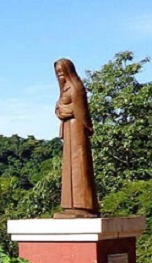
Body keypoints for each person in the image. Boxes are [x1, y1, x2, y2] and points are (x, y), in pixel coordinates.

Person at [54, 58, 99, 218]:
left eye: (62, 72)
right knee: (69, 167)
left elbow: (80, 110)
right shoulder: (65, 89)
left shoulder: (76, 87)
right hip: (69, 129)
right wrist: (61, 110)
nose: (60, 76)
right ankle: (71, 205)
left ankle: (84, 205)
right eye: (57, 73)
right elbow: (60, 108)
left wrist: (65, 110)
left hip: (77, 129)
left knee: (79, 165)